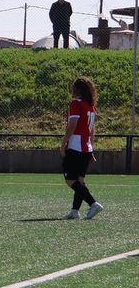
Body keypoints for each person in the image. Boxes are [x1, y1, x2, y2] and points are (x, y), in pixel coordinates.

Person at [61, 76, 102, 219]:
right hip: (86, 148)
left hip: (75, 147)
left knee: (70, 180)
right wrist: (92, 149)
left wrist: (63, 143)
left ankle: (93, 203)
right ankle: (74, 210)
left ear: (76, 89)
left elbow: (72, 126)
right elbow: (92, 130)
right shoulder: (91, 106)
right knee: (80, 180)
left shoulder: (76, 103)